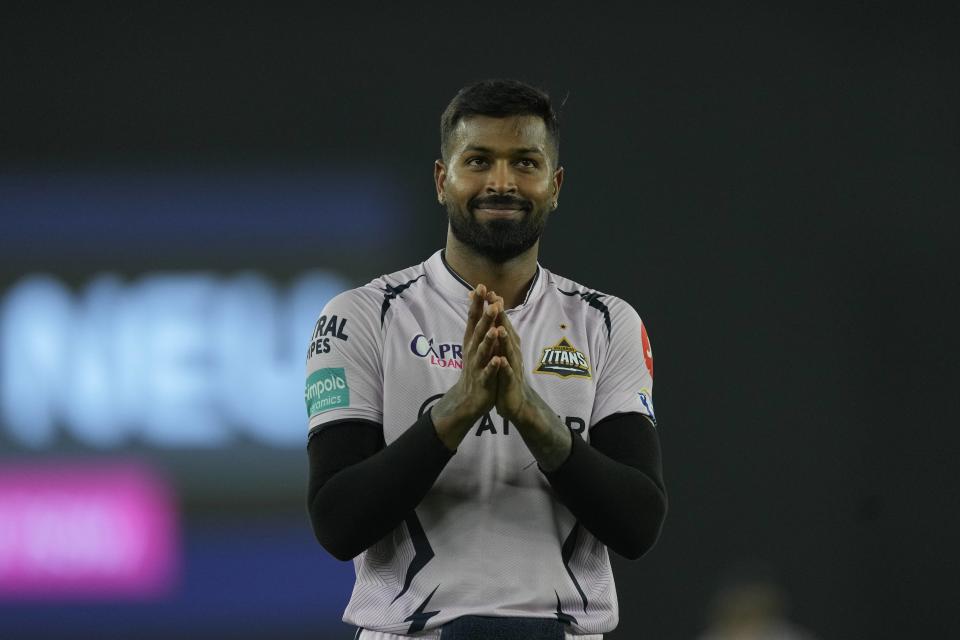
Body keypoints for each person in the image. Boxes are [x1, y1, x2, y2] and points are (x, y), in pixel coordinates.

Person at [305, 79, 666, 640]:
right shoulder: (360, 315)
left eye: (525, 163)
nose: (502, 182)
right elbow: (337, 522)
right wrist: (457, 410)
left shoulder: (608, 321)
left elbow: (638, 524)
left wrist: (529, 413)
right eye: (478, 161)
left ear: (556, 185)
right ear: (441, 181)